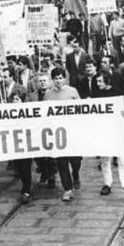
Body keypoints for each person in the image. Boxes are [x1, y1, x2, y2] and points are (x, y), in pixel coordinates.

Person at [94, 71, 124, 202]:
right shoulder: (96, 94)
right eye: (97, 81)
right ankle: (107, 183)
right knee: (105, 159)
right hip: (103, 130)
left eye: (100, 81)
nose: (98, 83)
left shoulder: (119, 93)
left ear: (107, 81)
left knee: (121, 160)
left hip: (117, 130)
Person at [44, 68, 81, 202]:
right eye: (55, 78)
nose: (58, 81)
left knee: (76, 160)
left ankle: (76, 174)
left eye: (60, 78)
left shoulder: (72, 92)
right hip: (57, 133)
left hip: (73, 132)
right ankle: (67, 189)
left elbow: (81, 109)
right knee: (61, 162)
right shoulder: (48, 94)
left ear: (64, 78)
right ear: (52, 80)